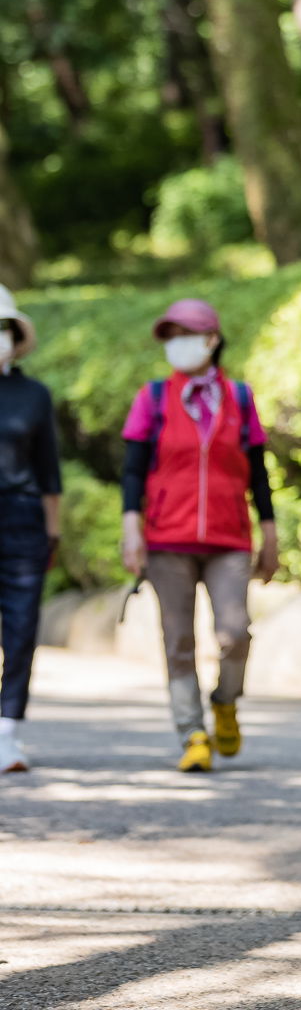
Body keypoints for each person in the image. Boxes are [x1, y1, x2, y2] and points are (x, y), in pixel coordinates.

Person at [120, 298, 278, 772]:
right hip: (167, 538)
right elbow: (131, 472)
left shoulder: (240, 398)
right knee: (178, 641)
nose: (177, 345)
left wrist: (269, 535)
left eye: (186, 334)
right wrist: (132, 531)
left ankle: (226, 702)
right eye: (170, 336)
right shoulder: (152, 398)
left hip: (229, 539)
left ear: (212, 339)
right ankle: (192, 732)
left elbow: (258, 473)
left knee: (234, 635)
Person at [0, 287, 61, 774]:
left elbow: (49, 472)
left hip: (23, 520)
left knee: (20, 629)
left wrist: (53, 534)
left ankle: (7, 734)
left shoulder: (33, 394)